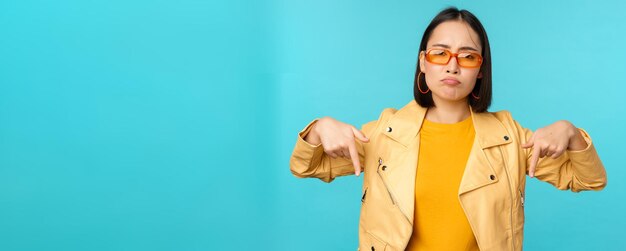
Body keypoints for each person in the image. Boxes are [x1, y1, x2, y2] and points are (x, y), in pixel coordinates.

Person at [289, 7, 607, 251]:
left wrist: (570, 132)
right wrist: (319, 129)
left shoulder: (510, 139)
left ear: (480, 69)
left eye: (468, 56)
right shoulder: (384, 134)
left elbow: (589, 179)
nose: (452, 65)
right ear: (423, 62)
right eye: (440, 53)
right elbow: (305, 166)